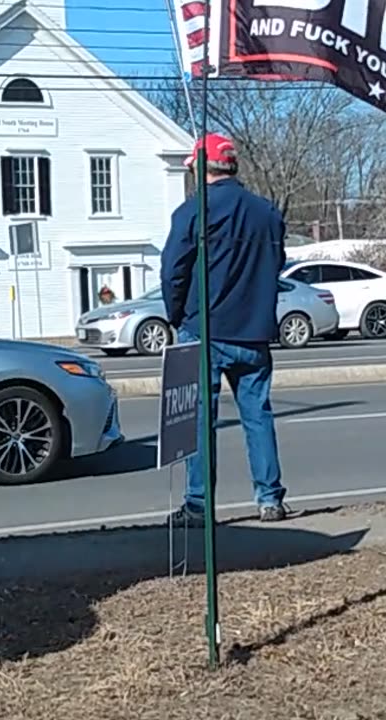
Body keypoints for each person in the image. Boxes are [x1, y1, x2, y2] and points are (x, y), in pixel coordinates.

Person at [160, 132, 292, 525]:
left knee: (202, 421)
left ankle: (199, 504)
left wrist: (176, 315)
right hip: (254, 332)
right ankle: (270, 499)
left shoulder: (193, 211)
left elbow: (173, 271)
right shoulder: (267, 212)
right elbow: (277, 265)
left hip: (205, 330)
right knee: (258, 415)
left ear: (201, 169)